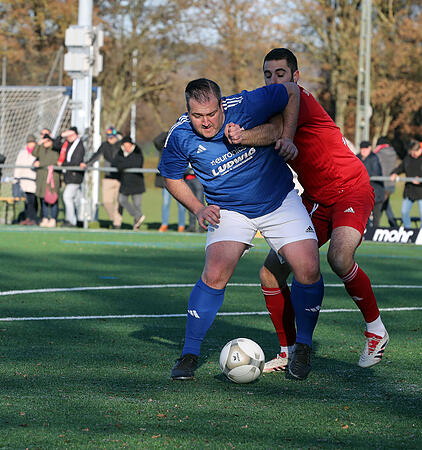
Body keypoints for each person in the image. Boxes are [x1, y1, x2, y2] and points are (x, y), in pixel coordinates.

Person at [227, 48, 388, 371]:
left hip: (351, 189)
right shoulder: (272, 107)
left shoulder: (298, 99)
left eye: (281, 74)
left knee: (339, 258)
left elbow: (273, 132)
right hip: (314, 200)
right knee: (270, 274)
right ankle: (287, 350)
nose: (274, 81)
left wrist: (240, 136)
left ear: (295, 77)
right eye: (268, 75)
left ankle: (376, 330)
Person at [161, 77, 324, 381]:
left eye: (212, 113)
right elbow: (171, 176)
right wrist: (198, 209)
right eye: (197, 115)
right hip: (229, 209)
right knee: (214, 273)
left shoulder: (247, 104)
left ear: (222, 105)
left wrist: (287, 137)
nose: (206, 122)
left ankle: (302, 347)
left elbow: (291, 91)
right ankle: (189, 354)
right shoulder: (180, 135)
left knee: (308, 268)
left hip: (278, 200)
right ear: (187, 111)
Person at [390, 139, 422, 234]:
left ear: (420, 150)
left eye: (415, 152)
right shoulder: (408, 158)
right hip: (409, 190)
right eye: (411, 152)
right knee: (404, 211)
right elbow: (401, 167)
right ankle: (407, 231)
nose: (413, 154)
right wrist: (394, 173)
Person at [82, 126, 122, 229]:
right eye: (108, 136)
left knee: (119, 202)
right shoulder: (104, 145)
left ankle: (117, 224)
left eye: (111, 136)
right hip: (108, 178)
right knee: (107, 202)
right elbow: (96, 156)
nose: (109, 138)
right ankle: (115, 219)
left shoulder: (120, 145)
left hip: (120, 178)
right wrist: (87, 164)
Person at [154, 131, 186, 232]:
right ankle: (164, 224)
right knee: (165, 203)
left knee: (181, 205)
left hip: (180, 181)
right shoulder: (164, 147)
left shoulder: (182, 148)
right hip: (167, 181)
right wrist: (170, 132)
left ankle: (181, 226)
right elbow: (156, 141)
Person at [113, 136, 146, 230]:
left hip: (137, 183)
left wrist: (123, 164)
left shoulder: (137, 151)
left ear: (132, 145)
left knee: (137, 204)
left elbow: (137, 163)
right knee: (121, 199)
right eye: (125, 146)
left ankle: (137, 225)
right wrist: (126, 164)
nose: (127, 148)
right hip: (125, 182)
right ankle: (138, 216)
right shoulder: (120, 152)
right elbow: (115, 163)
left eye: (128, 146)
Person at [57, 127, 86, 227]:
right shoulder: (67, 144)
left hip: (75, 176)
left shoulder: (79, 146)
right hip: (69, 176)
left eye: (71, 135)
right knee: (76, 200)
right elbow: (55, 144)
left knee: (67, 197)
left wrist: (62, 165)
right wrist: (62, 135)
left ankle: (70, 220)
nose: (68, 137)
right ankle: (79, 220)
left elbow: (76, 162)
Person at [34, 128, 61, 228]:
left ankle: (53, 218)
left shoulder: (55, 146)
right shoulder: (41, 147)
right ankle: (45, 217)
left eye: (46, 134)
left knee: (53, 198)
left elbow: (54, 161)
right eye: (42, 134)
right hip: (41, 177)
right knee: (43, 198)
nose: (44, 136)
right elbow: (34, 153)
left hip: (52, 177)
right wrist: (39, 144)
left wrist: (40, 163)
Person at [357, 140, 384, 228]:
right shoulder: (357, 158)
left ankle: (374, 232)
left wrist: (361, 175)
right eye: (362, 149)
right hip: (362, 193)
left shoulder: (374, 158)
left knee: (376, 218)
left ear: (370, 148)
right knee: (362, 217)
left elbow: (376, 173)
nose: (363, 151)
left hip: (376, 192)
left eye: (365, 148)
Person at [374, 137, 400, 227]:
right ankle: (394, 225)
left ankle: (375, 226)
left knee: (379, 205)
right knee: (386, 205)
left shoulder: (379, 154)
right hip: (391, 184)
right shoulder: (393, 152)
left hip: (382, 184)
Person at [14, 135, 38, 225]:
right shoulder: (22, 153)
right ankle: (28, 218)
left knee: (32, 200)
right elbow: (18, 165)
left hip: (34, 180)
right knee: (27, 201)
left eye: (32, 142)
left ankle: (32, 218)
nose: (30, 144)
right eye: (29, 143)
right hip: (24, 180)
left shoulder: (37, 152)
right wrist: (16, 178)